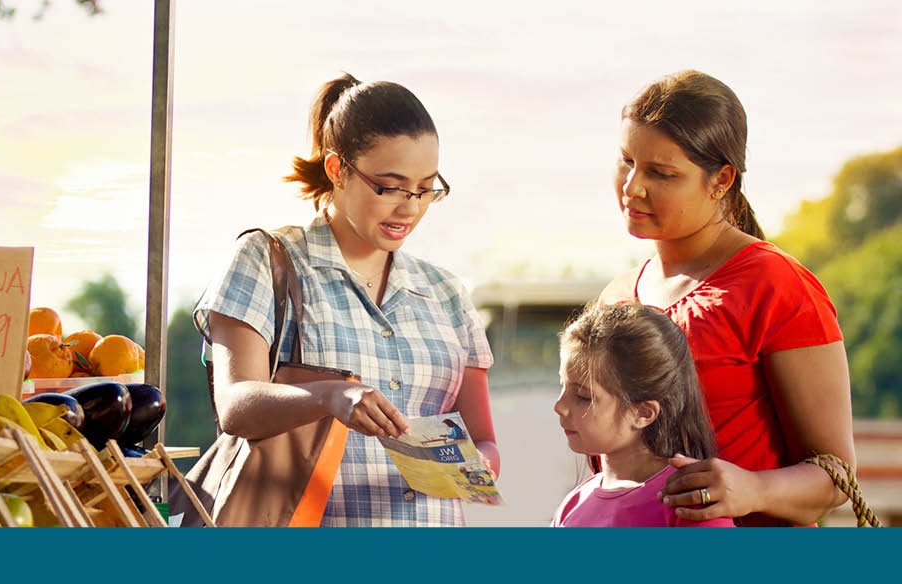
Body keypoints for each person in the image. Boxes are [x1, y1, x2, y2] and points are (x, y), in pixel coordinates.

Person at [193, 73, 497, 526]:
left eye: (426, 188)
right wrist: (330, 396)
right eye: (390, 187)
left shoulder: (446, 293)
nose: (410, 207)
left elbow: (484, 441)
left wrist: (472, 467)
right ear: (338, 170)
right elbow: (236, 406)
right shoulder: (268, 260)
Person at [597, 69, 855, 526]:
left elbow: (836, 475)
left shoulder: (778, 286)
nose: (632, 186)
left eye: (662, 173)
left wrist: (753, 488)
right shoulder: (616, 297)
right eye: (626, 160)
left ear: (720, 180)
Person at [551, 302, 734, 527]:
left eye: (582, 396)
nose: (559, 406)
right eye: (562, 386)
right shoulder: (573, 504)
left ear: (643, 413)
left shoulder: (689, 502)